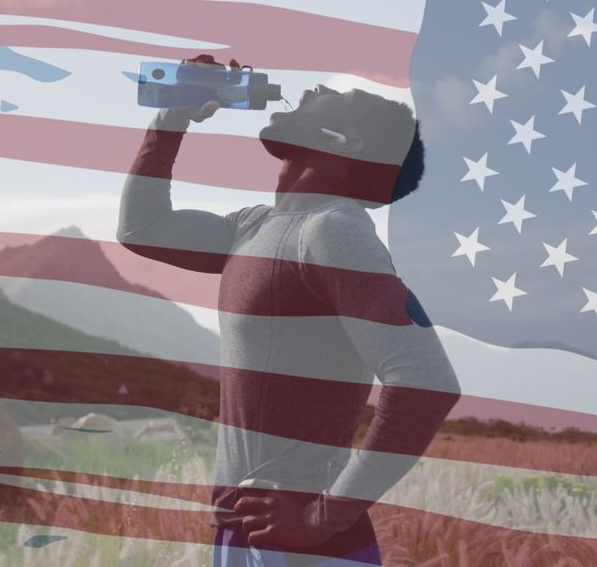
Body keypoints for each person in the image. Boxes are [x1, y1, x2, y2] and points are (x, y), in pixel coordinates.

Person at [117, 56, 460, 566]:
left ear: (346, 142)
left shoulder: (333, 232)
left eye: (333, 96)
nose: (314, 86)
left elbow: (426, 383)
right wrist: (174, 115)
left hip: (299, 545)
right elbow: (141, 229)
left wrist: (325, 517)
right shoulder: (251, 227)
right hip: (245, 535)